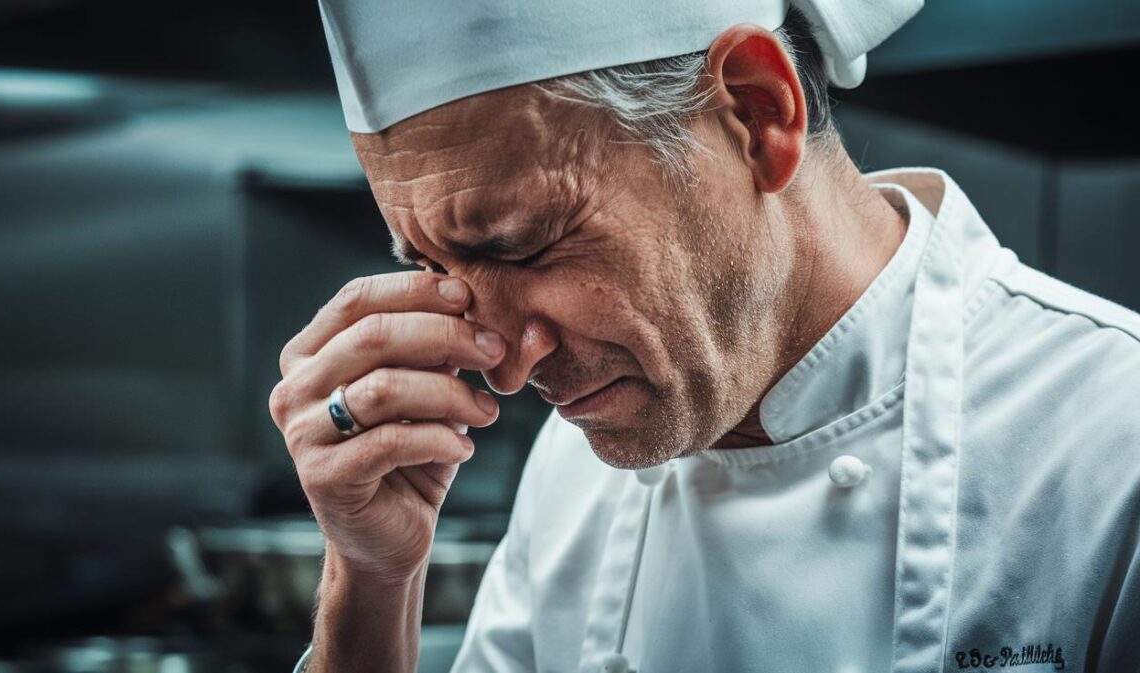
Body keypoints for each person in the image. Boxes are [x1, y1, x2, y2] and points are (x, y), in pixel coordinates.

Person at [266, 0, 1140, 670]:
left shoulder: (1111, 451)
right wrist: (371, 583)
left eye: (526, 242)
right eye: (436, 267)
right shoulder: (576, 465)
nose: (502, 364)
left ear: (759, 114)